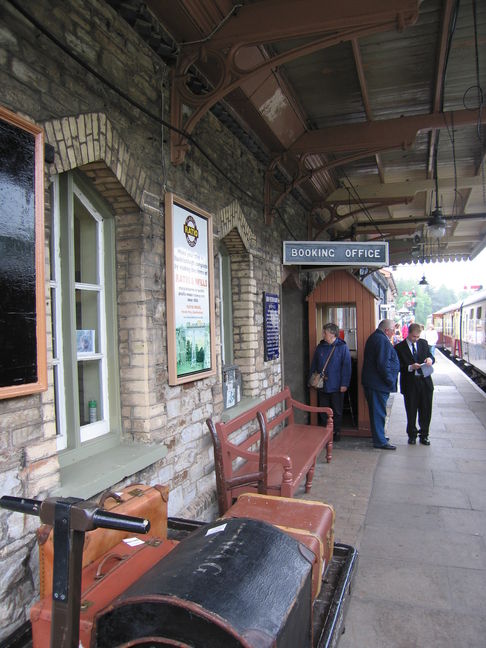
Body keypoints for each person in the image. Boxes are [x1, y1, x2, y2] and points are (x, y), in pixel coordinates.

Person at [361, 319, 400, 450]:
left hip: (375, 383)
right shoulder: (381, 340)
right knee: (378, 412)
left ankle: (380, 436)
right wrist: (390, 380)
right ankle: (380, 440)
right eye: (393, 330)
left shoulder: (376, 337)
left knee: (378, 411)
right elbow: (383, 364)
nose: (394, 333)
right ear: (387, 330)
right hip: (378, 384)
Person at [309, 322, 352, 441]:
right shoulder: (320, 347)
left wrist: (344, 384)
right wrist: (311, 380)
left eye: (325, 333)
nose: (323, 335)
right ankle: (325, 432)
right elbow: (314, 365)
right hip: (323, 385)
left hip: (337, 385)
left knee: (337, 410)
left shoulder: (342, 347)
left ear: (332, 334)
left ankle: (336, 432)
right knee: (323, 409)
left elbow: (346, 367)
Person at [395, 323, 435, 445]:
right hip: (410, 384)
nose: (416, 339)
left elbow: (431, 356)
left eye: (418, 337)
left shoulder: (423, 343)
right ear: (408, 334)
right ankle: (412, 434)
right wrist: (410, 367)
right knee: (411, 410)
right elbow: (397, 366)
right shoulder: (399, 347)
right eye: (413, 337)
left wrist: (430, 360)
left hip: (425, 382)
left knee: (426, 410)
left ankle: (424, 435)